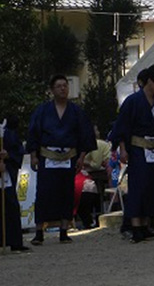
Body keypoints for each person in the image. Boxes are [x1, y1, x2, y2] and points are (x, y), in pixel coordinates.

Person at [27, 74, 96, 245]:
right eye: (59, 86)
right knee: (43, 193)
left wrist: (81, 157)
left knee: (66, 193)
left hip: (69, 157)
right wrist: (34, 156)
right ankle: (39, 231)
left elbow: (84, 135)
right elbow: (34, 133)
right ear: (52, 90)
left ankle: (64, 230)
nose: (63, 88)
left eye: (65, 85)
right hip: (47, 156)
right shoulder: (42, 111)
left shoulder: (76, 111)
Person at [110, 64, 154, 244]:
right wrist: (123, 148)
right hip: (137, 149)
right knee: (138, 187)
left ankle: (147, 224)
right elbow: (122, 126)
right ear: (150, 81)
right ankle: (135, 226)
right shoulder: (133, 101)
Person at [1, 115, 30, 251]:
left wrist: (7, 157)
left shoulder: (8, 134)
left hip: (5, 175)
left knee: (11, 206)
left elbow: (17, 151)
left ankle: (14, 241)